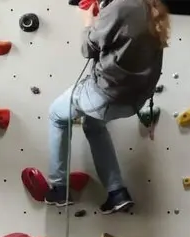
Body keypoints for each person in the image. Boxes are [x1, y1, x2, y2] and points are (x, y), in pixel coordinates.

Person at [44, 0, 169, 213]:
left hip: (104, 96)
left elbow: (88, 48)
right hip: (131, 102)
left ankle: (59, 188)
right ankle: (116, 193)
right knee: (94, 127)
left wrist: (87, 21)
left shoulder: (120, 7)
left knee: (57, 115)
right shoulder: (152, 8)